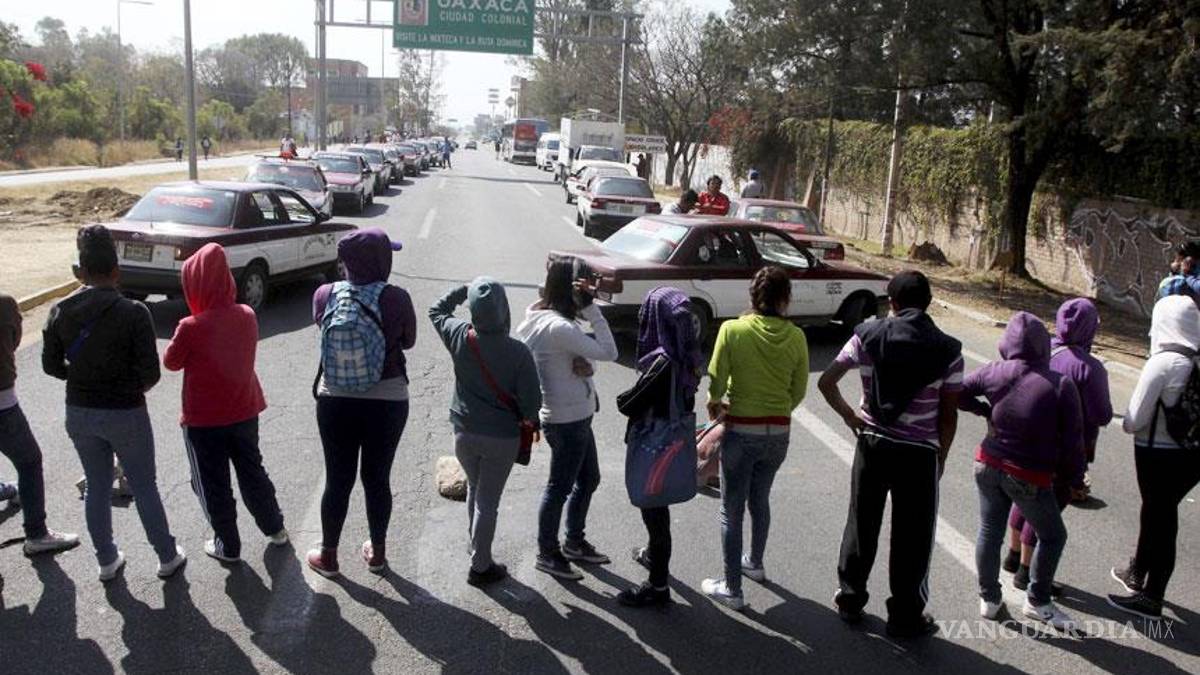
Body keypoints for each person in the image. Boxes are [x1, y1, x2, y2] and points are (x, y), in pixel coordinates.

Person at [819, 270, 962, 637]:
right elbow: (948, 417)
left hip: (872, 444)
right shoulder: (949, 352)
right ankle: (905, 616)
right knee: (912, 536)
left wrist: (851, 416)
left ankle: (850, 599)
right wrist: (941, 456)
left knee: (861, 523)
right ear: (928, 303)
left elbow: (826, 381)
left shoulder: (865, 337)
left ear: (893, 303)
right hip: (919, 454)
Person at [42, 225, 185, 582]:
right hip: (126, 412)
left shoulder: (60, 311)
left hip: (79, 411)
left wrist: (80, 376)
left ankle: (106, 559)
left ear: (80, 270)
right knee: (144, 484)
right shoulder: (134, 312)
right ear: (117, 270)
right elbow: (150, 373)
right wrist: (125, 387)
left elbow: (50, 365)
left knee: (96, 484)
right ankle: (166, 556)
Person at [163, 244, 287, 564]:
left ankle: (228, 544)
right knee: (252, 472)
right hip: (244, 410)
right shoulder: (246, 315)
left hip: (203, 421)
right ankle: (275, 528)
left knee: (211, 483)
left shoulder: (191, 326)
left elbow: (171, 362)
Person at [959, 311, 1083, 630]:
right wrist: (1072, 480)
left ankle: (989, 598)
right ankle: (1038, 600)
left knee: (990, 529)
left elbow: (956, 392)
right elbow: (1073, 444)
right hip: (1027, 475)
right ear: (1044, 345)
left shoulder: (994, 371)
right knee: (1053, 536)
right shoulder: (1060, 384)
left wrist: (984, 410)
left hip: (987, 463)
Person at [307, 229, 416, 579]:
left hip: (335, 397)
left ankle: (328, 556)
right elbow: (409, 341)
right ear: (381, 261)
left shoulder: (325, 294)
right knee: (377, 478)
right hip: (387, 398)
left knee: (337, 479)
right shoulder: (396, 297)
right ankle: (378, 554)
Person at [699, 267, 809, 611]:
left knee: (730, 510)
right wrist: (776, 409)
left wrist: (715, 405)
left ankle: (732, 588)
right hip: (778, 434)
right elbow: (799, 390)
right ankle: (755, 563)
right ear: (785, 299)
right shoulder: (797, 337)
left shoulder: (733, 330)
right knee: (759, 499)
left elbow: (716, 382)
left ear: (752, 296)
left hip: (741, 432)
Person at [429, 279, 542, 586]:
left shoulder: (460, 336)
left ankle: (474, 545)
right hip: (501, 438)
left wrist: (463, 291)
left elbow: (436, 310)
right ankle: (481, 566)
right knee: (487, 501)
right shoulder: (518, 352)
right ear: (504, 310)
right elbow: (533, 405)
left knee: (477, 491)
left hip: (464, 433)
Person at [516, 260, 619, 580]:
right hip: (567, 420)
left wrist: (588, 366)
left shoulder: (539, 316)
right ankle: (547, 552)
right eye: (585, 286)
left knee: (588, 480)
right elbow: (610, 350)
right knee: (559, 487)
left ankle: (574, 541)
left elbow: (578, 359)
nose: (589, 291)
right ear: (571, 289)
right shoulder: (558, 327)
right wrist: (591, 309)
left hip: (574, 415)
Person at [1004, 298, 1111, 588]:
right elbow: (1102, 414)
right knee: (1045, 510)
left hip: (1026, 441)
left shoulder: (1042, 349)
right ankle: (1028, 572)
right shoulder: (1089, 368)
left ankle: (1013, 555)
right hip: (1064, 451)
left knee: (1024, 496)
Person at [1108, 295, 1200, 620]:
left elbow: (1133, 420)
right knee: (1159, 513)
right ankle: (1138, 570)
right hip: (1192, 456)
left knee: (1160, 520)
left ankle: (1151, 597)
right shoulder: (1197, 360)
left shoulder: (1163, 363)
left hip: (1156, 456)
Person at [617, 288, 703, 607]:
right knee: (658, 511)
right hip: (670, 445)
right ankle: (654, 557)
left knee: (655, 514)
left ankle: (657, 586)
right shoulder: (686, 356)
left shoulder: (662, 362)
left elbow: (628, 404)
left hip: (654, 448)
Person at [1, 291, 79, 556]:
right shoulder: (5, 305)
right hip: (3, 405)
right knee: (29, 462)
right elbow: (13, 342)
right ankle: (37, 534)